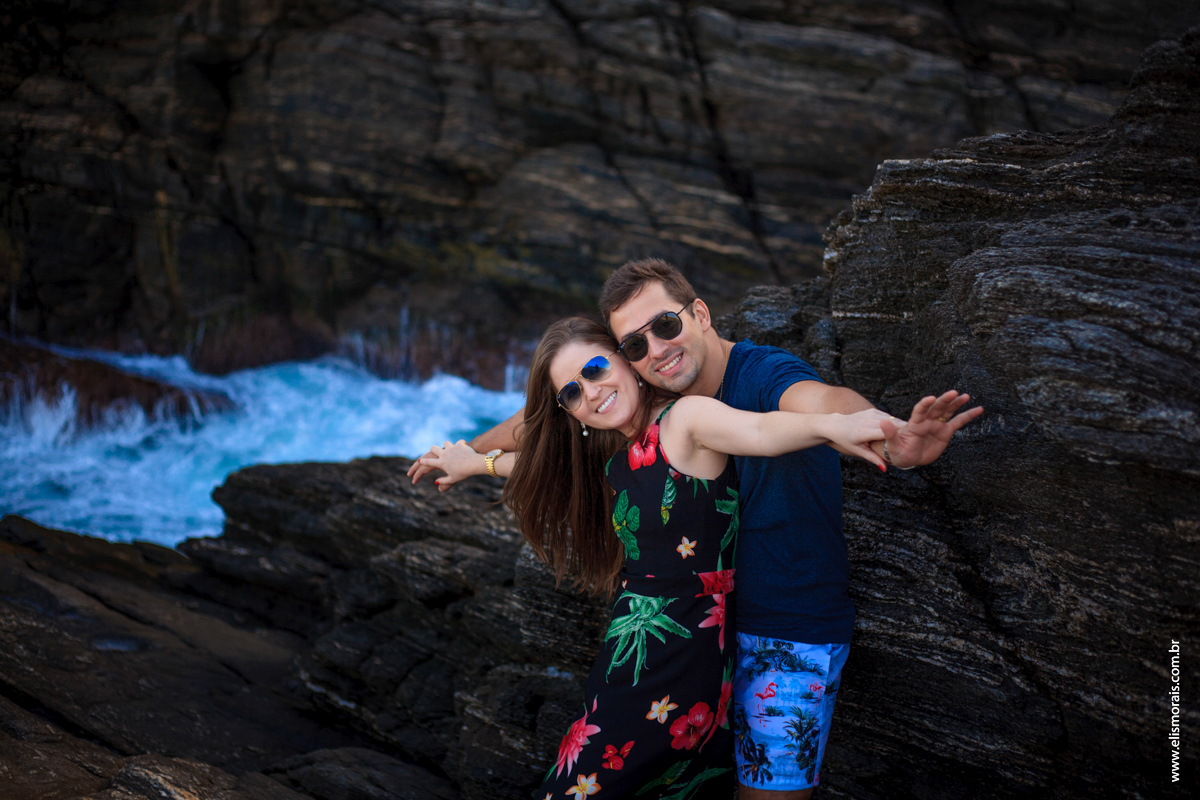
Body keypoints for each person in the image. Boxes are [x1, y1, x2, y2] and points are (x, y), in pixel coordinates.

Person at [410, 259, 982, 799]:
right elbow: (541, 429)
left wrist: (884, 436)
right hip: (686, 645)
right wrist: (468, 456)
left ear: (701, 314)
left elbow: (803, 412)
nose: (655, 350)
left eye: (665, 326)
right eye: (636, 345)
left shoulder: (741, 384)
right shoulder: (627, 433)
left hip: (785, 627)